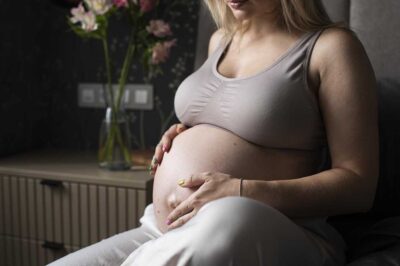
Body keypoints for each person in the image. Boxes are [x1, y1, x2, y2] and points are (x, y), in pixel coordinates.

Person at [49, 0, 378, 265]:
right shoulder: (221, 39)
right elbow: (234, 116)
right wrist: (186, 130)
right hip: (167, 228)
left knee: (226, 217)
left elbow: (358, 185)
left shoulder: (332, 47)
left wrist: (242, 190)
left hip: (270, 228)